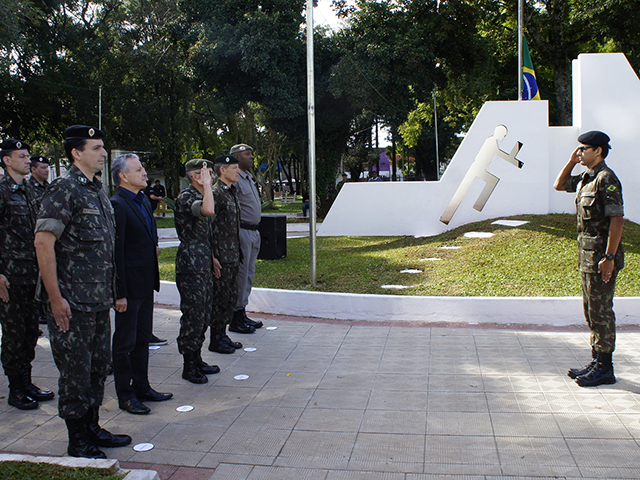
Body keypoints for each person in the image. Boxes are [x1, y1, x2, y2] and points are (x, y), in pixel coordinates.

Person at [34, 125, 131, 458]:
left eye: (103, 147)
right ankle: (77, 439)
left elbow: (106, 249)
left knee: (97, 367)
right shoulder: (65, 189)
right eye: (97, 148)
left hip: (97, 300)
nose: (104, 153)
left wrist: (115, 292)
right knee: (75, 372)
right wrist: (55, 298)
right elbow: (43, 243)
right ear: (77, 153)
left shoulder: (97, 192)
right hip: (72, 301)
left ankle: (92, 426)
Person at [553, 130, 624, 387]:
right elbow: (559, 185)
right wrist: (572, 161)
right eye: (579, 148)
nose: (580, 152)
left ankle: (606, 368)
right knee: (591, 311)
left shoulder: (607, 178)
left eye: (584, 149)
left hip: (602, 257)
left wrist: (609, 256)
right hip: (587, 256)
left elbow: (617, 220)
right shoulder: (586, 178)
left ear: (599, 151)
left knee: (602, 312)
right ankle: (596, 361)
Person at [110, 154, 173, 415]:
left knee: (142, 339)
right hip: (129, 287)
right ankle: (126, 395)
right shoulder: (117, 205)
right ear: (123, 176)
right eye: (139, 169)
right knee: (125, 343)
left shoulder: (144, 201)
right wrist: (119, 293)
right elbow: (116, 253)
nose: (145, 173)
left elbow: (147, 236)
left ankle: (143, 386)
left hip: (146, 283)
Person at [0, 139, 54, 410]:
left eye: (27, 156)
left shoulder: (32, 190)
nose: (27, 160)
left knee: (31, 331)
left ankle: (27, 381)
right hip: (11, 276)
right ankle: (16, 388)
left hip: (34, 274)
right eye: (21, 156)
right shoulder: (2, 191)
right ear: (7, 160)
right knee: (13, 335)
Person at [174, 158, 220, 384]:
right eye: (208, 174)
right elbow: (208, 211)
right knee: (193, 315)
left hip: (203, 262)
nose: (212, 178)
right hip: (191, 265)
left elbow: (205, 234)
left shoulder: (202, 195)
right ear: (195, 177)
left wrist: (212, 258)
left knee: (204, 313)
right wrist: (208, 187)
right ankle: (188, 364)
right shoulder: (187, 197)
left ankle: (197, 357)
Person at [208, 154, 244, 354]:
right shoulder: (216, 193)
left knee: (229, 298)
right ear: (223, 170)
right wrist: (212, 256)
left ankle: (222, 334)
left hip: (232, 255)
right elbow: (209, 226)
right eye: (234, 168)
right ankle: (216, 338)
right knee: (220, 299)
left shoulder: (230, 192)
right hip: (221, 257)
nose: (238, 171)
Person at [229, 144, 263, 332]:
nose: (251, 157)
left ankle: (242, 312)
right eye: (246, 154)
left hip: (253, 232)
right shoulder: (234, 180)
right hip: (241, 231)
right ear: (236, 157)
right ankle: (235, 317)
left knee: (248, 274)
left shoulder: (248, 178)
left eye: (251, 153)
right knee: (241, 275)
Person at [29, 155, 51, 328]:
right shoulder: (27, 189)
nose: (46, 170)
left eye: (47, 167)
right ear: (33, 169)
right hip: (30, 245)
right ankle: (38, 312)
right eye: (42, 168)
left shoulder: (51, 189)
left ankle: (43, 310)